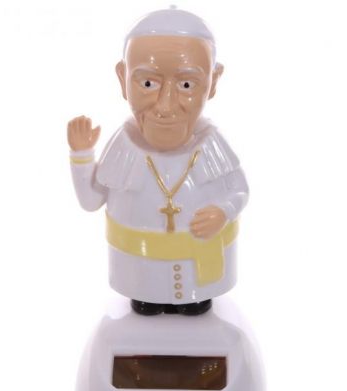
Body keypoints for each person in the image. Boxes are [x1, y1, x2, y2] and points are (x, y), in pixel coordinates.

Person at [68, 7, 249, 315]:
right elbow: (90, 201)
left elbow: (240, 191)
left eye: (187, 85)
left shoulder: (212, 142)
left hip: (199, 263)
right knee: (145, 303)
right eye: (148, 84)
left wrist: (224, 212)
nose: (166, 106)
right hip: (139, 269)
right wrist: (82, 156)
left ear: (213, 82)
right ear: (122, 78)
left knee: (196, 306)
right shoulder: (124, 144)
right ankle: (148, 298)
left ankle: (194, 300)